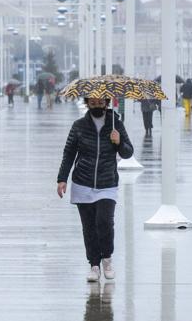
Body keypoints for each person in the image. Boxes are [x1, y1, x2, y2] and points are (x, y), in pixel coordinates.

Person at [56, 98, 133, 282]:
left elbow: (128, 153)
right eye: (93, 102)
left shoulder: (116, 124)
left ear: (106, 103)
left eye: (100, 102)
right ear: (88, 103)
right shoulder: (79, 126)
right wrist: (62, 179)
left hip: (107, 183)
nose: (97, 105)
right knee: (89, 228)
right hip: (83, 182)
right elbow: (69, 153)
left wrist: (119, 141)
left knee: (104, 222)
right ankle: (94, 265)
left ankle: (107, 259)